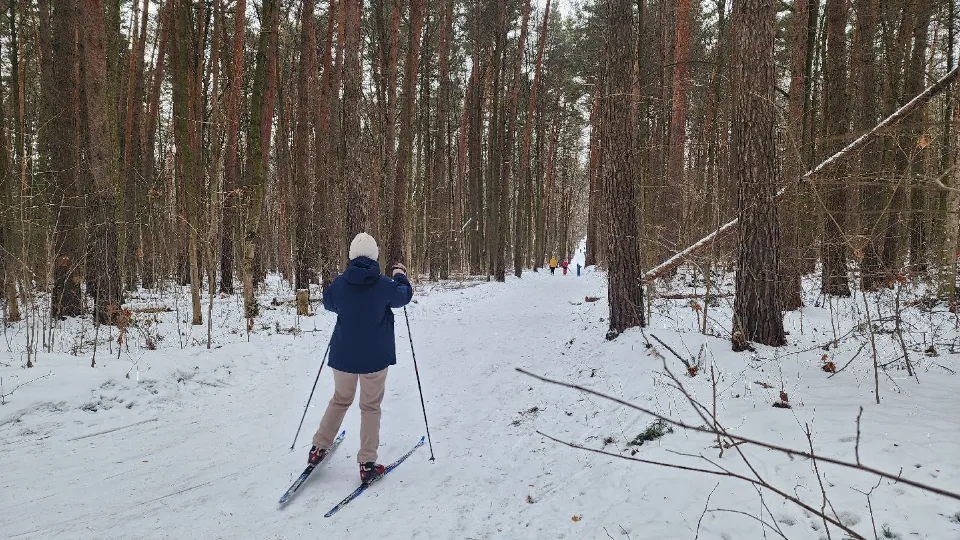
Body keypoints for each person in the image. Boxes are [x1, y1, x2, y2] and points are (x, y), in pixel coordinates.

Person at [308, 232, 413, 485]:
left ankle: (318, 448)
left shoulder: (341, 284)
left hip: (343, 356)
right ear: (375, 256)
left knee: (340, 399)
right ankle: (367, 463)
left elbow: (328, 301)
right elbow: (404, 295)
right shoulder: (385, 284)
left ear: (352, 256)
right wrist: (400, 274)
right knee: (370, 406)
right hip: (375, 360)